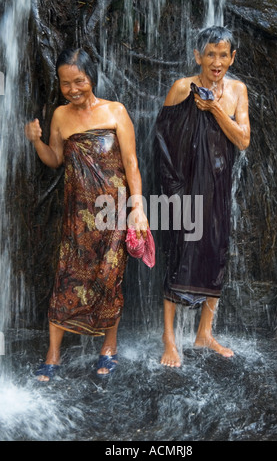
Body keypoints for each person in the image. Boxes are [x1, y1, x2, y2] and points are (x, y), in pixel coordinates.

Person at [25, 48, 148, 381]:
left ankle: (108, 348)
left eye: (78, 81)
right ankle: (52, 355)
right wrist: (37, 142)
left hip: (114, 216)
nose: (73, 89)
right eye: (65, 84)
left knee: (110, 280)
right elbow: (55, 159)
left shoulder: (116, 111)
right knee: (66, 277)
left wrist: (138, 206)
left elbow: (131, 162)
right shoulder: (61, 117)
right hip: (77, 217)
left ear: (91, 76)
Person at [155, 26, 250, 367]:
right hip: (184, 186)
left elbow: (243, 140)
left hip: (219, 186)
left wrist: (214, 109)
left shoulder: (238, 90)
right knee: (179, 253)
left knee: (216, 251)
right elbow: (162, 143)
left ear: (232, 57)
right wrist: (173, 190)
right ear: (198, 56)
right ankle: (169, 339)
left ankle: (204, 333)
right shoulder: (182, 87)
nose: (217, 61)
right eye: (210, 54)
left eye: (224, 55)